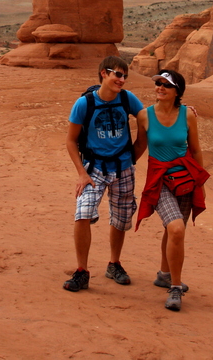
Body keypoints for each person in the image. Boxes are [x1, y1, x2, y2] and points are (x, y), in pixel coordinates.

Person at [63, 56, 145, 292]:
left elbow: (148, 120)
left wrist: (131, 160)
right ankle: (81, 272)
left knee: (120, 219)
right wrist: (81, 174)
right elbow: (70, 141)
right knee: (83, 214)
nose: (122, 80)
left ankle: (114, 264)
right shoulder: (85, 103)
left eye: (125, 76)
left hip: (123, 169)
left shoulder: (128, 99)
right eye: (117, 74)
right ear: (103, 74)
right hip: (94, 169)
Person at [135, 69, 209, 311]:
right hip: (160, 181)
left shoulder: (187, 115)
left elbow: (196, 150)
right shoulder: (144, 116)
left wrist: (201, 183)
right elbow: (139, 147)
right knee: (176, 228)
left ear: (177, 91)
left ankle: (164, 274)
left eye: (166, 85)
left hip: (185, 179)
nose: (160, 88)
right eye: (158, 83)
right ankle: (175, 288)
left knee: (174, 230)